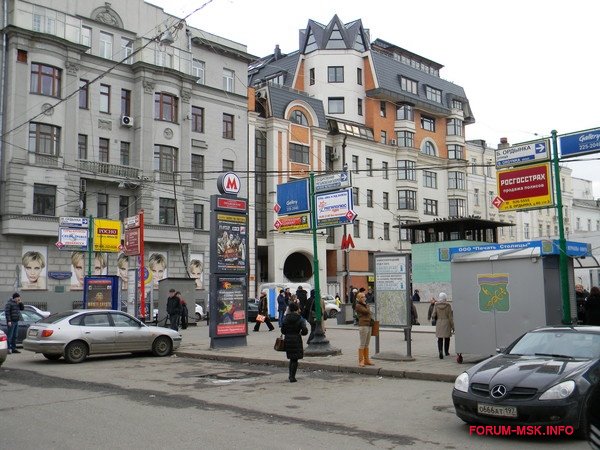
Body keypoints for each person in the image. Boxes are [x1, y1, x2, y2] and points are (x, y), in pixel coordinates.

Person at [281, 302, 308, 383]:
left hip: (288, 339)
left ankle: (291, 375)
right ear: (297, 309)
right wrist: (301, 333)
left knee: (291, 358)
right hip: (296, 338)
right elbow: (305, 330)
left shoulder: (286, 318)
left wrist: (288, 333)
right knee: (295, 359)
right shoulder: (300, 319)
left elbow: (283, 330)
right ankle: (292, 376)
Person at [354, 291, 375, 367]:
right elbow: (366, 311)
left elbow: (369, 312)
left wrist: (367, 306)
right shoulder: (358, 306)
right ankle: (361, 360)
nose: (364, 298)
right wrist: (367, 306)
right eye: (362, 297)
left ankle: (366, 360)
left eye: (364, 297)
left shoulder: (365, 305)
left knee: (367, 343)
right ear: (358, 298)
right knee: (362, 343)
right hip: (363, 325)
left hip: (369, 325)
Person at [431, 292, 454, 359]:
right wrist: (453, 326)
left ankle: (440, 351)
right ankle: (446, 352)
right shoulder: (448, 306)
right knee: (447, 338)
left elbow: (433, 315)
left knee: (440, 339)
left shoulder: (436, 305)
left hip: (439, 322)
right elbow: (450, 317)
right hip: (446, 323)